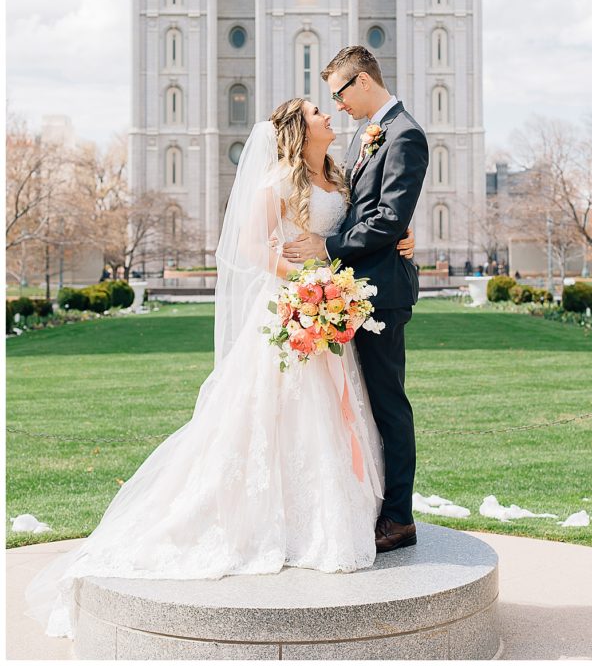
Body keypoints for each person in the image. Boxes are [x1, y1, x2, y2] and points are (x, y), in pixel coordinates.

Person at [25, 99, 416, 639]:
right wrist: (303, 284)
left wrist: (398, 241)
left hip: (329, 311)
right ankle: (268, 519)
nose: (329, 115)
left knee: (334, 414)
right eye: (318, 112)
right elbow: (252, 247)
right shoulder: (276, 182)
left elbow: (364, 228)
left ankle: (332, 516)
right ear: (299, 129)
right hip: (292, 309)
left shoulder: (340, 176)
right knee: (275, 416)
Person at [283, 47, 429, 554]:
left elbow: (388, 218)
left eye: (339, 93)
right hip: (352, 294)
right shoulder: (369, 137)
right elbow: (365, 212)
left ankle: (399, 518)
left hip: (381, 294)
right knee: (361, 407)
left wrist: (327, 247)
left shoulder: (405, 135)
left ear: (362, 82)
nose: (338, 105)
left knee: (389, 406)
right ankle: (369, 505)